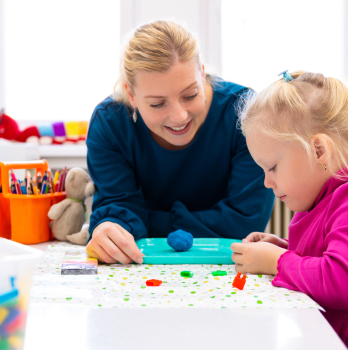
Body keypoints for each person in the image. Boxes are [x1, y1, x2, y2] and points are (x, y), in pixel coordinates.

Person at [85, 20, 274, 266]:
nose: (179, 116)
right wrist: (109, 229)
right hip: (141, 269)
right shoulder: (109, 124)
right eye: (157, 104)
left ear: (202, 73)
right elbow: (117, 211)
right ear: (131, 95)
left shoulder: (246, 113)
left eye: (190, 95)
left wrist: (145, 223)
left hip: (228, 267)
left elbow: (245, 223)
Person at [231, 70, 348, 345]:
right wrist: (284, 248)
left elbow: (340, 279)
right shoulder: (320, 198)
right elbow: (323, 257)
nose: (266, 182)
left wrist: (276, 261)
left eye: (272, 167)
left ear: (319, 150)